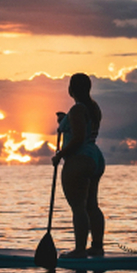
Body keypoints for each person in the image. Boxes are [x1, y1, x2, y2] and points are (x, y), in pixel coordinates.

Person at [51, 72, 105, 257]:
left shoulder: (77, 110)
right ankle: (97, 247)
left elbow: (79, 138)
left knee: (78, 206)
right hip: (95, 158)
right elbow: (83, 128)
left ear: (70, 90)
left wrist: (60, 155)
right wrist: (65, 120)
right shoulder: (93, 108)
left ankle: (80, 250)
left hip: (79, 159)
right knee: (92, 205)